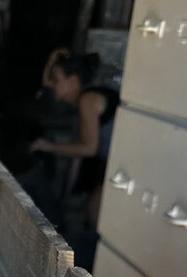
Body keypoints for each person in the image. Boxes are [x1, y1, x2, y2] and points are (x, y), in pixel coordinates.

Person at [21, 48, 120, 230]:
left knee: (94, 213)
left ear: (73, 81)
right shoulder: (83, 97)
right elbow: (46, 82)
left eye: (57, 79)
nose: (52, 84)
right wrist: (52, 58)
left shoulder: (88, 100)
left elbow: (89, 148)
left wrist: (48, 146)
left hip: (125, 165)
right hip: (114, 165)